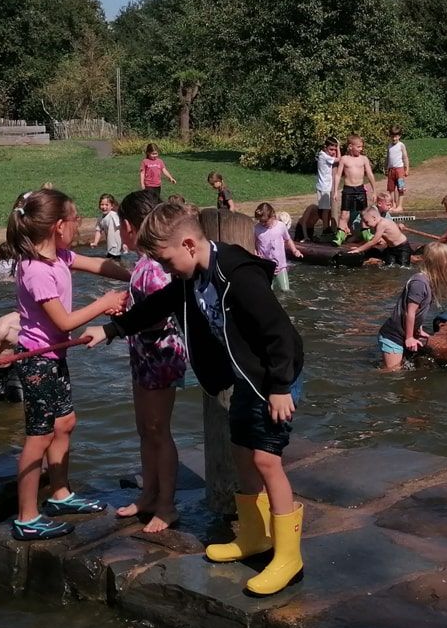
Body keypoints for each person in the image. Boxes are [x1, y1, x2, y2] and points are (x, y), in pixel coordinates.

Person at [88, 202, 306, 597]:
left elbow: (277, 332)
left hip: (276, 377)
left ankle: (289, 557)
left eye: (167, 261)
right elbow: (158, 304)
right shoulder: (192, 277)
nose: (166, 270)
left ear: (189, 244)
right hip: (248, 377)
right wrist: (113, 329)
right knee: (242, 452)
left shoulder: (238, 276)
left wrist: (279, 387)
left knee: (266, 460)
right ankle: (255, 536)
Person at [0, 188, 130, 541]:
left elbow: (99, 265)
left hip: (54, 358)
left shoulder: (60, 257)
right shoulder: (36, 270)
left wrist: (135, 276)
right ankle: (26, 517)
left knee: (65, 423)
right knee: (38, 436)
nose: (78, 224)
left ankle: (59, 494)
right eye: (75, 219)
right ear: (58, 225)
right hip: (37, 362)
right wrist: (104, 303)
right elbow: (64, 322)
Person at [113, 190, 188, 533]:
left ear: (130, 226)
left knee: (159, 429)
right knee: (145, 429)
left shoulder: (156, 266)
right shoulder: (143, 263)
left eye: (121, 227)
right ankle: (148, 494)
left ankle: (167, 504)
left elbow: (159, 315)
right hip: (143, 353)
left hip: (161, 355)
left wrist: (126, 319)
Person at [378, 241, 447, 370]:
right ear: (441, 263)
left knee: (403, 368)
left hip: (403, 333)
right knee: (392, 372)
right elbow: (410, 312)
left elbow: (420, 311)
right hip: (393, 335)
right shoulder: (419, 283)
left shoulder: (428, 282)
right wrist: (409, 338)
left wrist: (418, 330)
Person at [333, 133, 377, 243]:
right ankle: (340, 235)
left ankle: (366, 233)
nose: (361, 149)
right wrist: (335, 191)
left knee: (364, 213)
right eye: (358, 147)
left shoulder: (364, 159)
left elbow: (370, 174)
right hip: (348, 189)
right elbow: (338, 175)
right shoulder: (344, 159)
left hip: (360, 189)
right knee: (344, 214)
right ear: (350, 146)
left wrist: (374, 191)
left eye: (361, 147)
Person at [253, 202, 301, 291]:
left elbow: (288, 240)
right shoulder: (257, 229)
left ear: (273, 216)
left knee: (285, 290)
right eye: (260, 221)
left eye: (265, 221)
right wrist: (255, 253)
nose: (262, 223)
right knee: (268, 291)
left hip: (280, 266)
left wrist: (295, 250)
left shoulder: (281, 226)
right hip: (266, 266)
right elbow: (254, 243)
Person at [314, 136, 339, 236]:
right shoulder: (324, 156)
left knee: (327, 209)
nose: (333, 152)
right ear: (325, 147)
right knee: (325, 209)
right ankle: (325, 228)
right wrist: (339, 148)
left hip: (325, 186)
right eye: (331, 149)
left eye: (334, 150)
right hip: (324, 187)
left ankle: (327, 226)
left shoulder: (324, 155)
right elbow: (339, 159)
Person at [385, 127, 410, 206]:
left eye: (395, 136)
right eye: (392, 136)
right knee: (391, 189)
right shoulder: (389, 146)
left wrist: (407, 169)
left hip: (399, 170)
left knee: (401, 188)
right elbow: (387, 157)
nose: (394, 138)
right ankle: (393, 204)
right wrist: (385, 167)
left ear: (399, 136)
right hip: (391, 170)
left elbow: (405, 157)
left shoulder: (401, 145)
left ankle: (400, 205)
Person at [94, 193, 124, 259]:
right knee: (111, 260)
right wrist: (95, 242)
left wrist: (124, 243)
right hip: (110, 247)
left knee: (114, 261)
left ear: (112, 206)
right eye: (102, 204)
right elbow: (98, 230)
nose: (104, 207)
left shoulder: (113, 215)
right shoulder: (100, 218)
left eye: (106, 205)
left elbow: (121, 227)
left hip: (116, 246)